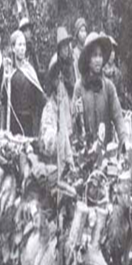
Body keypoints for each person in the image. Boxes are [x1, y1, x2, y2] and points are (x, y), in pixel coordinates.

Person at [72, 32, 131, 146]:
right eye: (94, 55)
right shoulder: (79, 87)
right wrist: (77, 116)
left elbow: (118, 117)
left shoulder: (108, 87)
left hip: (106, 150)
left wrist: (125, 141)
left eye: (100, 55)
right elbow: (73, 125)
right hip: (85, 150)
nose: (98, 59)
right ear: (88, 59)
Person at [40, 27, 76, 168]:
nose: (66, 49)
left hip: (68, 101)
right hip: (57, 102)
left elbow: (73, 84)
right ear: (59, 49)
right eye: (63, 46)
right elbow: (50, 84)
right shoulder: (55, 64)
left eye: (67, 46)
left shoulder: (70, 63)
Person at [3, 30, 45, 136]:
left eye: (24, 45)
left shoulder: (29, 70)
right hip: (12, 122)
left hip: (28, 122)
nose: (22, 48)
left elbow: (39, 96)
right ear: (13, 48)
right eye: (19, 45)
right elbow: (3, 97)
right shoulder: (8, 72)